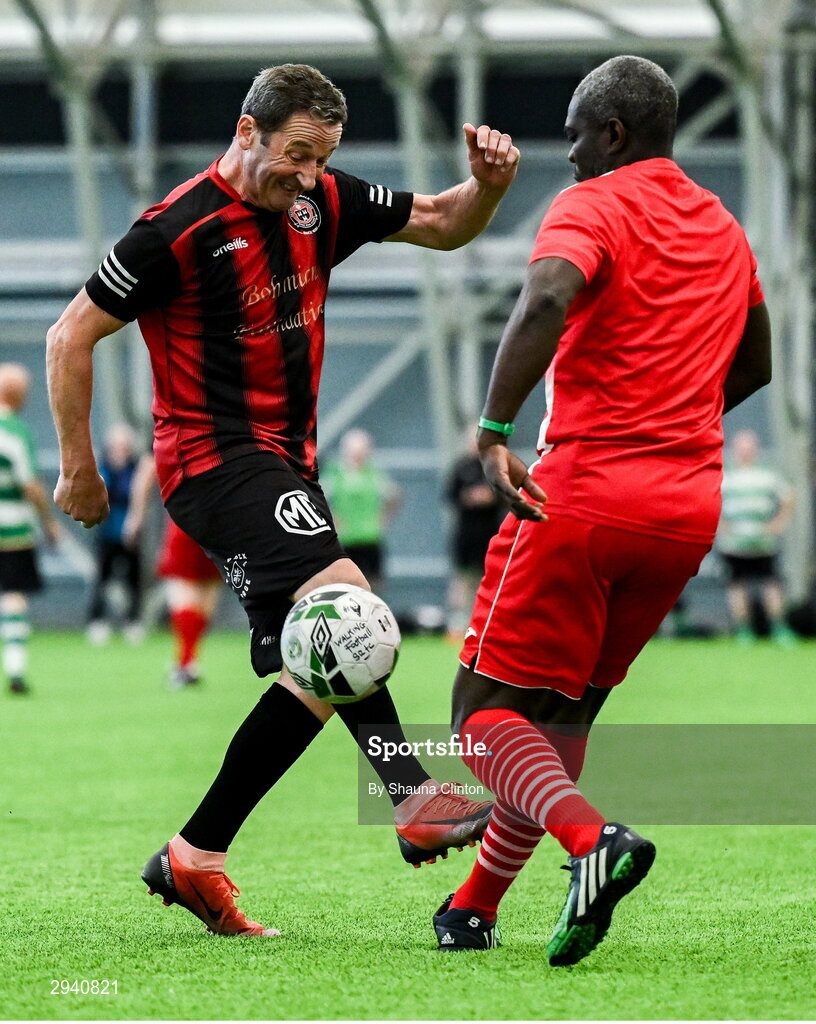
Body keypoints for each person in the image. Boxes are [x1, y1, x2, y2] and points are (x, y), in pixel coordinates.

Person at [46, 64, 519, 936]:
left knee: (323, 662)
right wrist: (80, 470)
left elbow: (443, 221)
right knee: (352, 615)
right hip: (213, 462)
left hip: (284, 465)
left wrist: (486, 189)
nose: (309, 176)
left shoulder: (319, 204)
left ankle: (195, 856)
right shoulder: (175, 230)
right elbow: (69, 335)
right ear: (246, 130)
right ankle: (413, 797)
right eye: (297, 155)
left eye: (322, 159)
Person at [431, 56, 772, 963]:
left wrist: (494, 429)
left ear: (613, 134)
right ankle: (474, 907)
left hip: (580, 497)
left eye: (578, 137)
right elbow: (758, 363)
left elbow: (547, 295)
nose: (571, 156)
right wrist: (680, 419)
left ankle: (595, 843)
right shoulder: (724, 228)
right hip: (686, 510)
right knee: (567, 714)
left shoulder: (594, 204)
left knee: (480, 714)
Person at [124, 454, 224, 688]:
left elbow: (148, 468)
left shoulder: (175, 421)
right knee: (208, 586)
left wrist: (136, 515)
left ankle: (186, 662)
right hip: (224, 518)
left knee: (182, 586)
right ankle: (190, 661)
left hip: (187, 515)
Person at [0, 363, 60, 693]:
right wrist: (50, 523)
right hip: (12, 530)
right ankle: (15, 670)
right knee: (13, 596)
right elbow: (30, 485)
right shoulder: (15, 432)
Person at [717, 428, 796, 646]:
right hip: (734, 545)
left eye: (749, 447)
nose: (746, 452)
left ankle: (779, 629)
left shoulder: (768, 474)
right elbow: (711, 501)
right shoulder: (725, 475)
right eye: (742, 448)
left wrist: (778, 523)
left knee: (771, 585)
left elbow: (788, 498)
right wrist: (722, 525)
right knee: (737, 586)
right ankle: (744, 631)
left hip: (764, 544)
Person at [322, 428, 401, 592]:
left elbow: (394, 495)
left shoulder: (372, 472)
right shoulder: (335, 472)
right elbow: (319, 498)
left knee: (373, 582)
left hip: (371, 537)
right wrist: (333, 520)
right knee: (344, 583)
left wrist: (383, 519)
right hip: (345, 539)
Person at [86, 422, 144, 645]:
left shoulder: (135, 469)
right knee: (102, 578)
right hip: (107, 532)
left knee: (133, 579)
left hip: (131, 534)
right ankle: (97, 621)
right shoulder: (103, 468)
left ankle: (133, 622)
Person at [444, 425, 504, 641]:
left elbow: (507, 496)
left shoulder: (495, 467)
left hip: (490, 534)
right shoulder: (461, 468)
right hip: (466, 535)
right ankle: (458, 623)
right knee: (462, 579)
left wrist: (491, 497)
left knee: (489, 579)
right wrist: (469, 498)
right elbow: (449, 496)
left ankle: (488, 624)